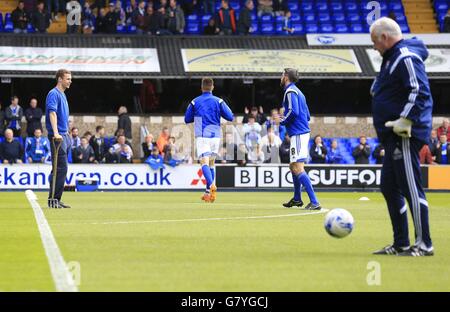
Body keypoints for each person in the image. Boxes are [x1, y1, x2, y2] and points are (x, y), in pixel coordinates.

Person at [370, 17, 433, 256]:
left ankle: (424, 244)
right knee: (389, 186)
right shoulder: (391, 58)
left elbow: (419, 91)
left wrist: (405, 119)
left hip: (404, 134)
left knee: (411, 188)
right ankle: (401, 243)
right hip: (392, 136)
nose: (374, 47)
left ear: (385, 37)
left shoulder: (404, 56)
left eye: (375, 42)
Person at [184, 77, 234, 202]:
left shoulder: (195, 102)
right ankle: (208, 194)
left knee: (204, 163)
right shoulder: (219, 101)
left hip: (202, 136)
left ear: (201, 87)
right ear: (212, 87)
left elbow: (187, 119)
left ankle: (212, 185)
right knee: (211, 163)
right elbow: (230, 116)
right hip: (215, 136)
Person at [279, 68, 321, 210]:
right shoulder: (299, 92)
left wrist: (283, 120)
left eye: (282, 74)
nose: (280, 77)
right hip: (300, 133)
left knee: (297, 167)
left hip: (298, 134)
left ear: (286, 77)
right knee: (293, 166)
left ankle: (314, 201)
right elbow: (307, 115)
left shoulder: (290, 91)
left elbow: (294, 111)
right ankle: (297, 198)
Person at [46, 69, 72, 208]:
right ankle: (54, 199)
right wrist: (56, 133)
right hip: (58, 136)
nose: (70, 81)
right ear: (60, 79)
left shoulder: (62, 94)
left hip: (65, 135)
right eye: (67, 78)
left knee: (58, 169)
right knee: (61, 168)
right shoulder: (53, 94)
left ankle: (55, 199)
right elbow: (52, 113)